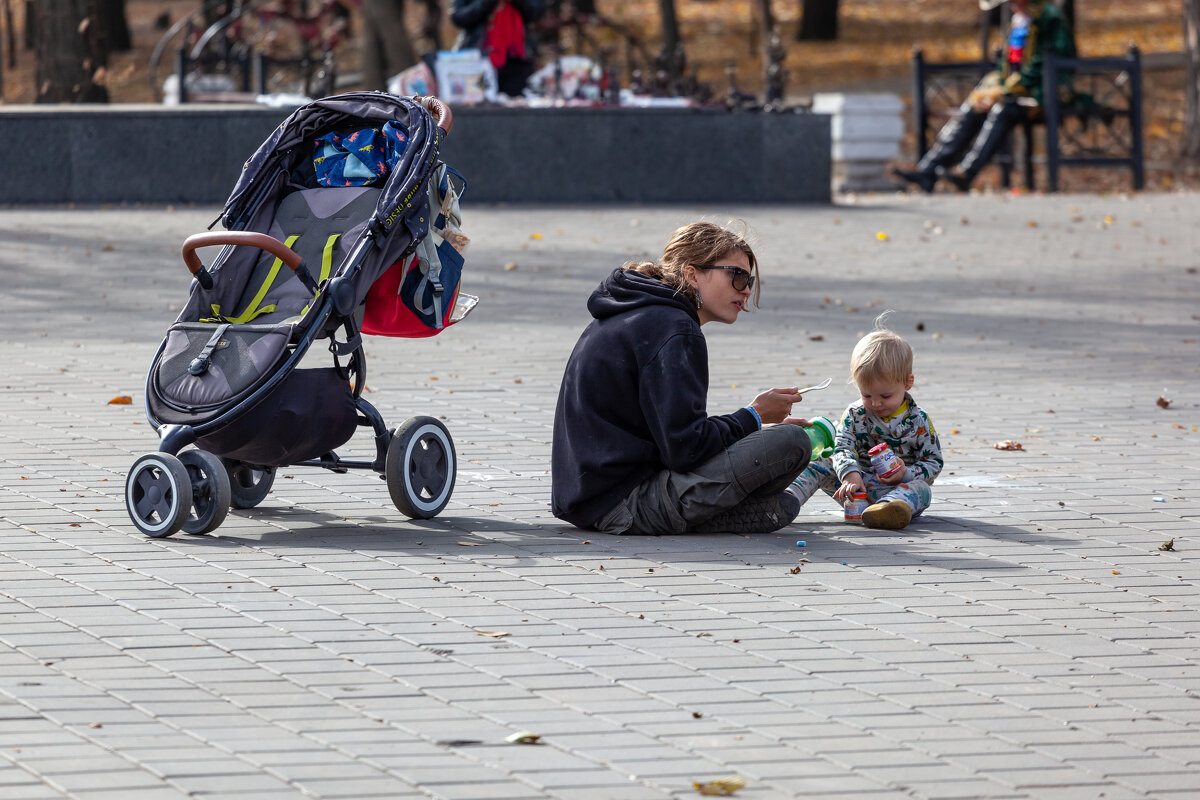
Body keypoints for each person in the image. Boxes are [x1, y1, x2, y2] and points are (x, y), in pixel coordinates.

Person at [551, 222, 812, 535]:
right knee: (792, 442)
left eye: (750, 280)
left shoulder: (637, 310)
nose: (745, 289)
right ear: (692, 274)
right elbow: (686, 449)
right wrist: (753, 416)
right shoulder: (675, 328)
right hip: (627, 502)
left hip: (589, 498)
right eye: (736, 275)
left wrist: (751, 428)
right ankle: (707, 517)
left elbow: (674, 438)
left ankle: (716, 513)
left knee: (771, 440)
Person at [893, 0, 1075, 192]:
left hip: (1043, 93)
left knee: (1002, 110)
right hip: (1015, 92)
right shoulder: (1020, 19)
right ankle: (927, 171)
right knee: (974, 107)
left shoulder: (1048, 16)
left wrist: (1007, 90)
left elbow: (1049, 64)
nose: (1011, 5)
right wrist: (992, 89)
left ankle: (966, 173)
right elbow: (1007, 65)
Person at [787, 315, 943, 530]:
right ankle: (788, 499)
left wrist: (906, 472)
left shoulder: (918, 419)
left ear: (908, 382)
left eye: (885, 396)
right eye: (866, 395)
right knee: (820, 463)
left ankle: (887, 510)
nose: (876, 403)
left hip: (897, 491)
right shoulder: (855, 413)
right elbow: (841, 447)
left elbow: (934, 462)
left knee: (922, 489)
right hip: (854, 490)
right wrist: (850, 475)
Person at [450, 0, 547, 97]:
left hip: (517, 63)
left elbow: (537, 12)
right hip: (477, 61)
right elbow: (458, 17)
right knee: (477, 107)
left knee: (517, 107)